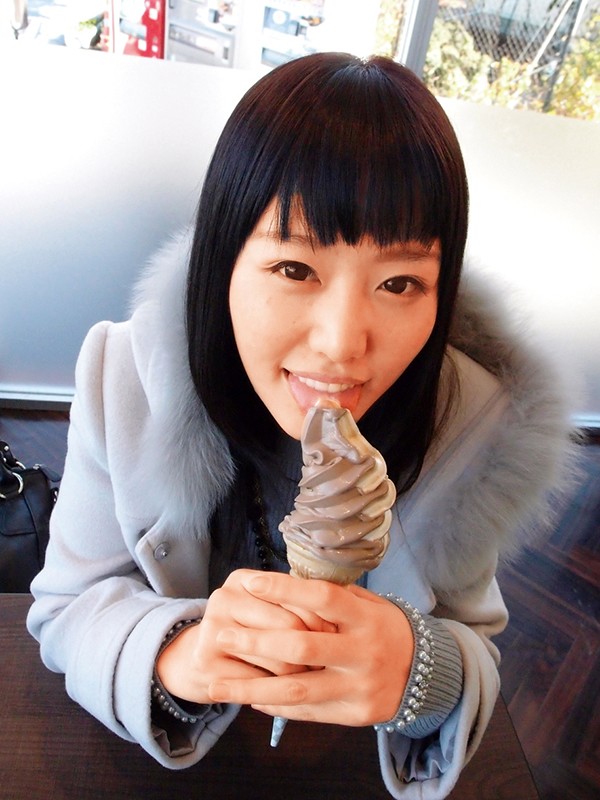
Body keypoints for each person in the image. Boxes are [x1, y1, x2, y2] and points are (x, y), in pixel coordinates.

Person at [27, 53, 573, 799]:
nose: (343, 343)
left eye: (399, 282)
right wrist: (178, 656)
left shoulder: (473, 428)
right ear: (224, 258)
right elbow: (66, 607)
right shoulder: (125, 379)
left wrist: (422, 671)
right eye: (294, 269)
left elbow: (473, 640)